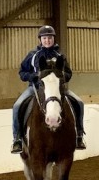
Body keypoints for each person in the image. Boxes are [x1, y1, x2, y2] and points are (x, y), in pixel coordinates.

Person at [10, 25, 86, 154]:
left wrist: (61, 78)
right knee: (17, 106)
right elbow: (22, 72)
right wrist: (33, 76)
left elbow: (68, 72)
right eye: (44, 38)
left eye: (49, 38)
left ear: (53, 38)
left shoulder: (59, 55)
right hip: (36, 88)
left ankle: (79, 135)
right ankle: (17, 139)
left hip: (57, 88)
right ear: (40, 39)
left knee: (79, 102)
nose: (47, 40)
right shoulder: (32, 55)